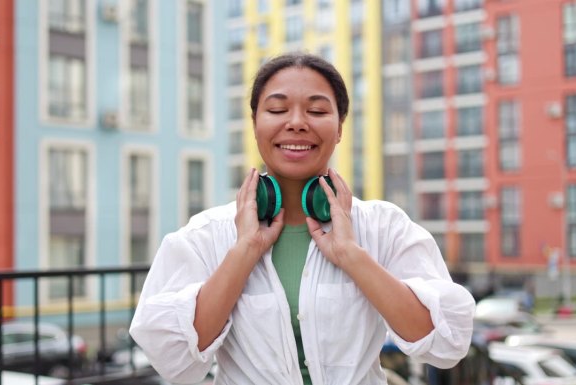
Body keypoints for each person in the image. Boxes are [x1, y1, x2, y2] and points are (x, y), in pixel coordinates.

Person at [129, 52, 475, 384]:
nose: (296, 123)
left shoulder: (384, 226)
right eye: (278, 109)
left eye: (317, 110)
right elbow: (173, 361)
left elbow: (446, 346)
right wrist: (244, 252)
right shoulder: (205, 236)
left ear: (339, 128)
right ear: (254, 124)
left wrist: (351, 256)